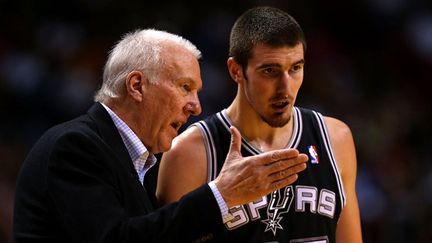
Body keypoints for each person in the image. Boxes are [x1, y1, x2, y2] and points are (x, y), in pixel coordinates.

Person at [12, 28, 309, 243]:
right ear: (137, 85)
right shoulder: (76, 146)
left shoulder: (142, 163)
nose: (196, 106)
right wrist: (221, 194)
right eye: (185, 87)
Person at [156, 6, 363, 243]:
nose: (285, 88)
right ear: (236, 70)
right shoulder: (189, 154)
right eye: (270, 71)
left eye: (295, 68)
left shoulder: (335, 139)